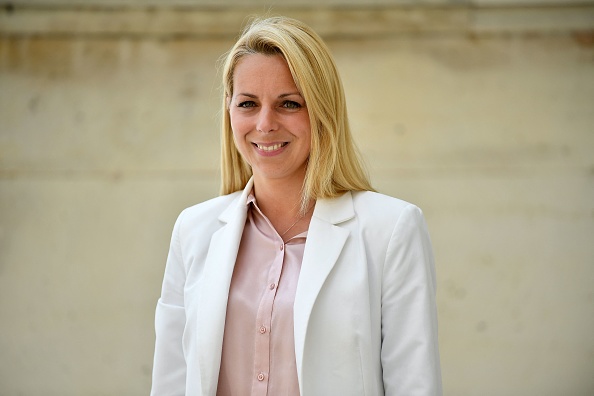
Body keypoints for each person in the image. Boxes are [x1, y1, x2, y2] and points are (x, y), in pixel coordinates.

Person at [151, 16, 442, 396]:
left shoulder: (390, 230)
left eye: (288, 104)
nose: (265, 123)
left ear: (321, 111)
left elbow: (414, 384)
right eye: (248, 104)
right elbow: (170, 381)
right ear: (229, 109)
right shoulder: (193, 230)